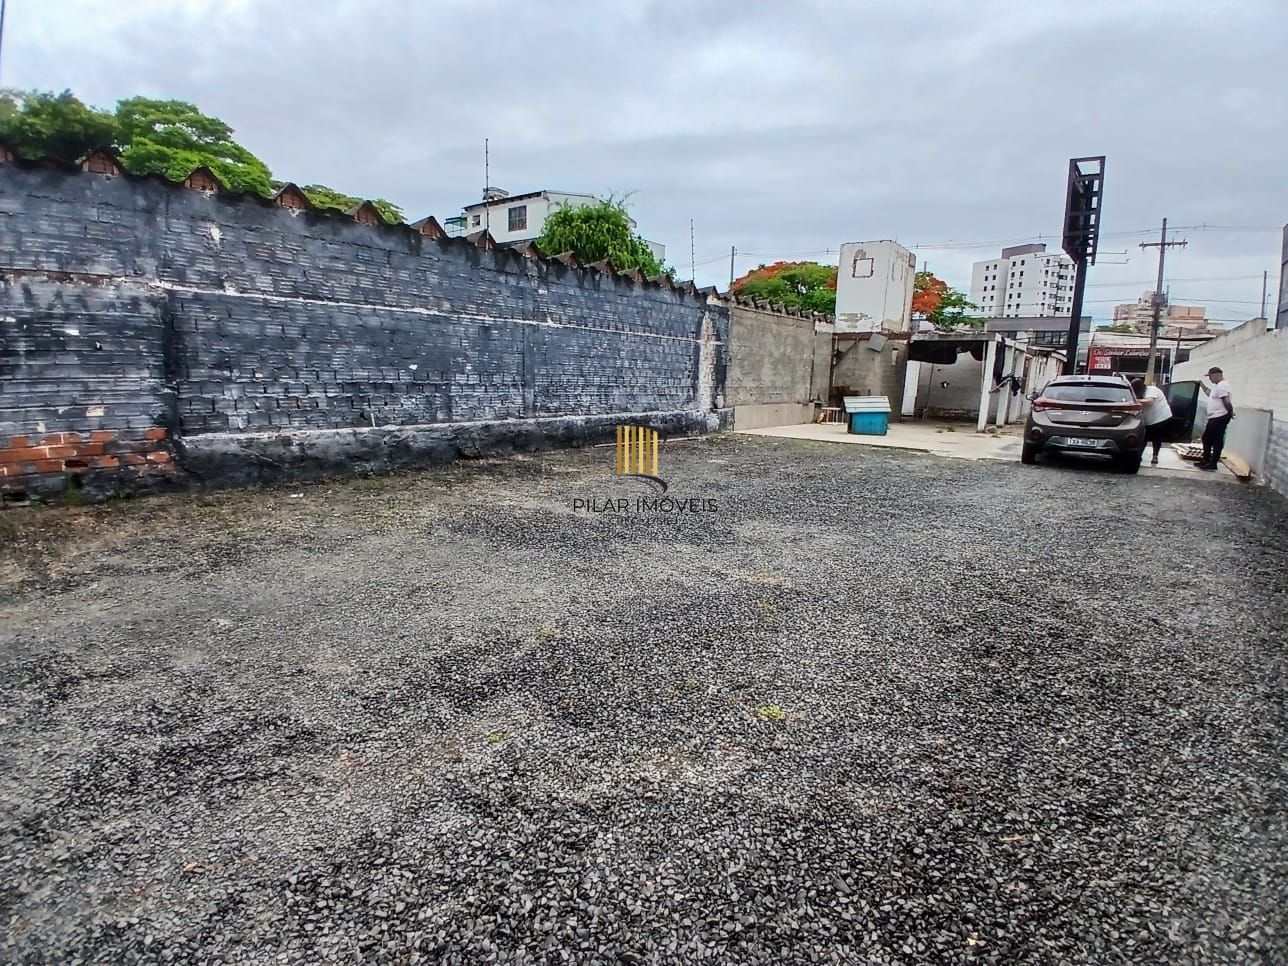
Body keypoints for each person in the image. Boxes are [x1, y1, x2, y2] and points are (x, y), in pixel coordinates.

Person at [1131, 377, 1173, 466]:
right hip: (1149, 419)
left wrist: (1135, 401)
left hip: (1161, 417)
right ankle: (1138, 456)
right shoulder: (1138, 394)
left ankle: (1155, 456)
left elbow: (1150, 402)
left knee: (1156, 437)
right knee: (1143, 437)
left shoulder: (1151, 390)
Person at [1198, 366, 1234, 471]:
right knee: (1207, 439)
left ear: (1216, 375)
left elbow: (1227, 401)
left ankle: (1212, 463)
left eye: (1210, 376)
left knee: (1215, 440)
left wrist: (1230, 412)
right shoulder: (1218, 386)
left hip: (1219, 416)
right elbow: (1209, 394)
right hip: (1215, 416)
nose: (1209, 379)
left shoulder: (1222, 386)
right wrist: (1201, 385)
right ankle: (1206, 461)